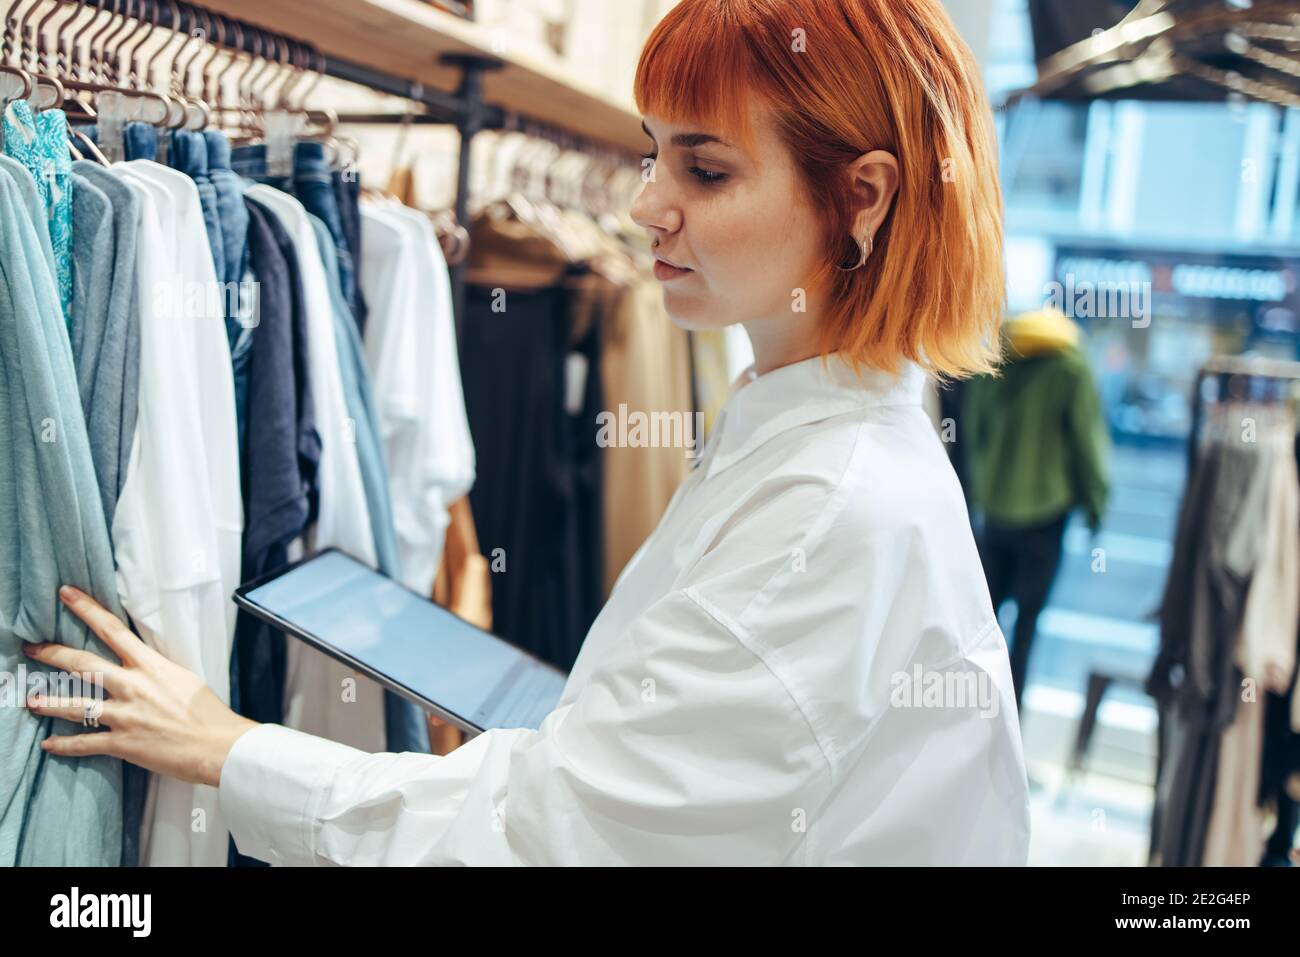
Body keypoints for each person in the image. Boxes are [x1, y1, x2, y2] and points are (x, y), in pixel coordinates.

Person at [25, 0, 1030, 866]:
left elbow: (555, 840)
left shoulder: (829, 507)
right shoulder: (809, 433)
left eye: (706, 171)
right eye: (651, 154)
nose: (645, 206)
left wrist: (226, 748)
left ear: (862, 197)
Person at [963, 306, 1111, 713]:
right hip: (1046, 518)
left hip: (995, 511)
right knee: (1026, 628)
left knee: (980, 624)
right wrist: (1095, 504)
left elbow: (974, 429)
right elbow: (1086, 443)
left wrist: (981, 485)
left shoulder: (995, 357)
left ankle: (968, 715)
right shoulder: (1071, 367)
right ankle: (1010, 723)